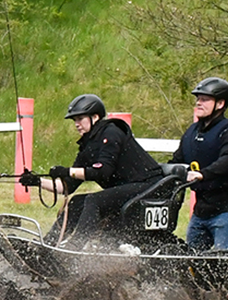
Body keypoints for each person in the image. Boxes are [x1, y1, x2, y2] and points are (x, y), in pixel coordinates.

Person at [20, 93, 163, 244]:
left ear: (95, 117)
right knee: (76, 202)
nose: (76, 124)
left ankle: (75, 247)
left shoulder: (111, 132)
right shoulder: (88, 146)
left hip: (149, 186)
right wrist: (37, 181)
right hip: (127, 189)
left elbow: (103, 171)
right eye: (75, 120)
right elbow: (66, 186)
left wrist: (67, 171)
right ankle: (49, 244)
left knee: (94, 201)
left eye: (80, 119)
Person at [168, 77, 228, 250]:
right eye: (198, 99)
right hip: (202, 210)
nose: (199, 103)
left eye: (204, 99)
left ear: (220, 104)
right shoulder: (192, 132)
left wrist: (202, 174)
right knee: (191, 262)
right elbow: (177, 161)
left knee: (223, 264)